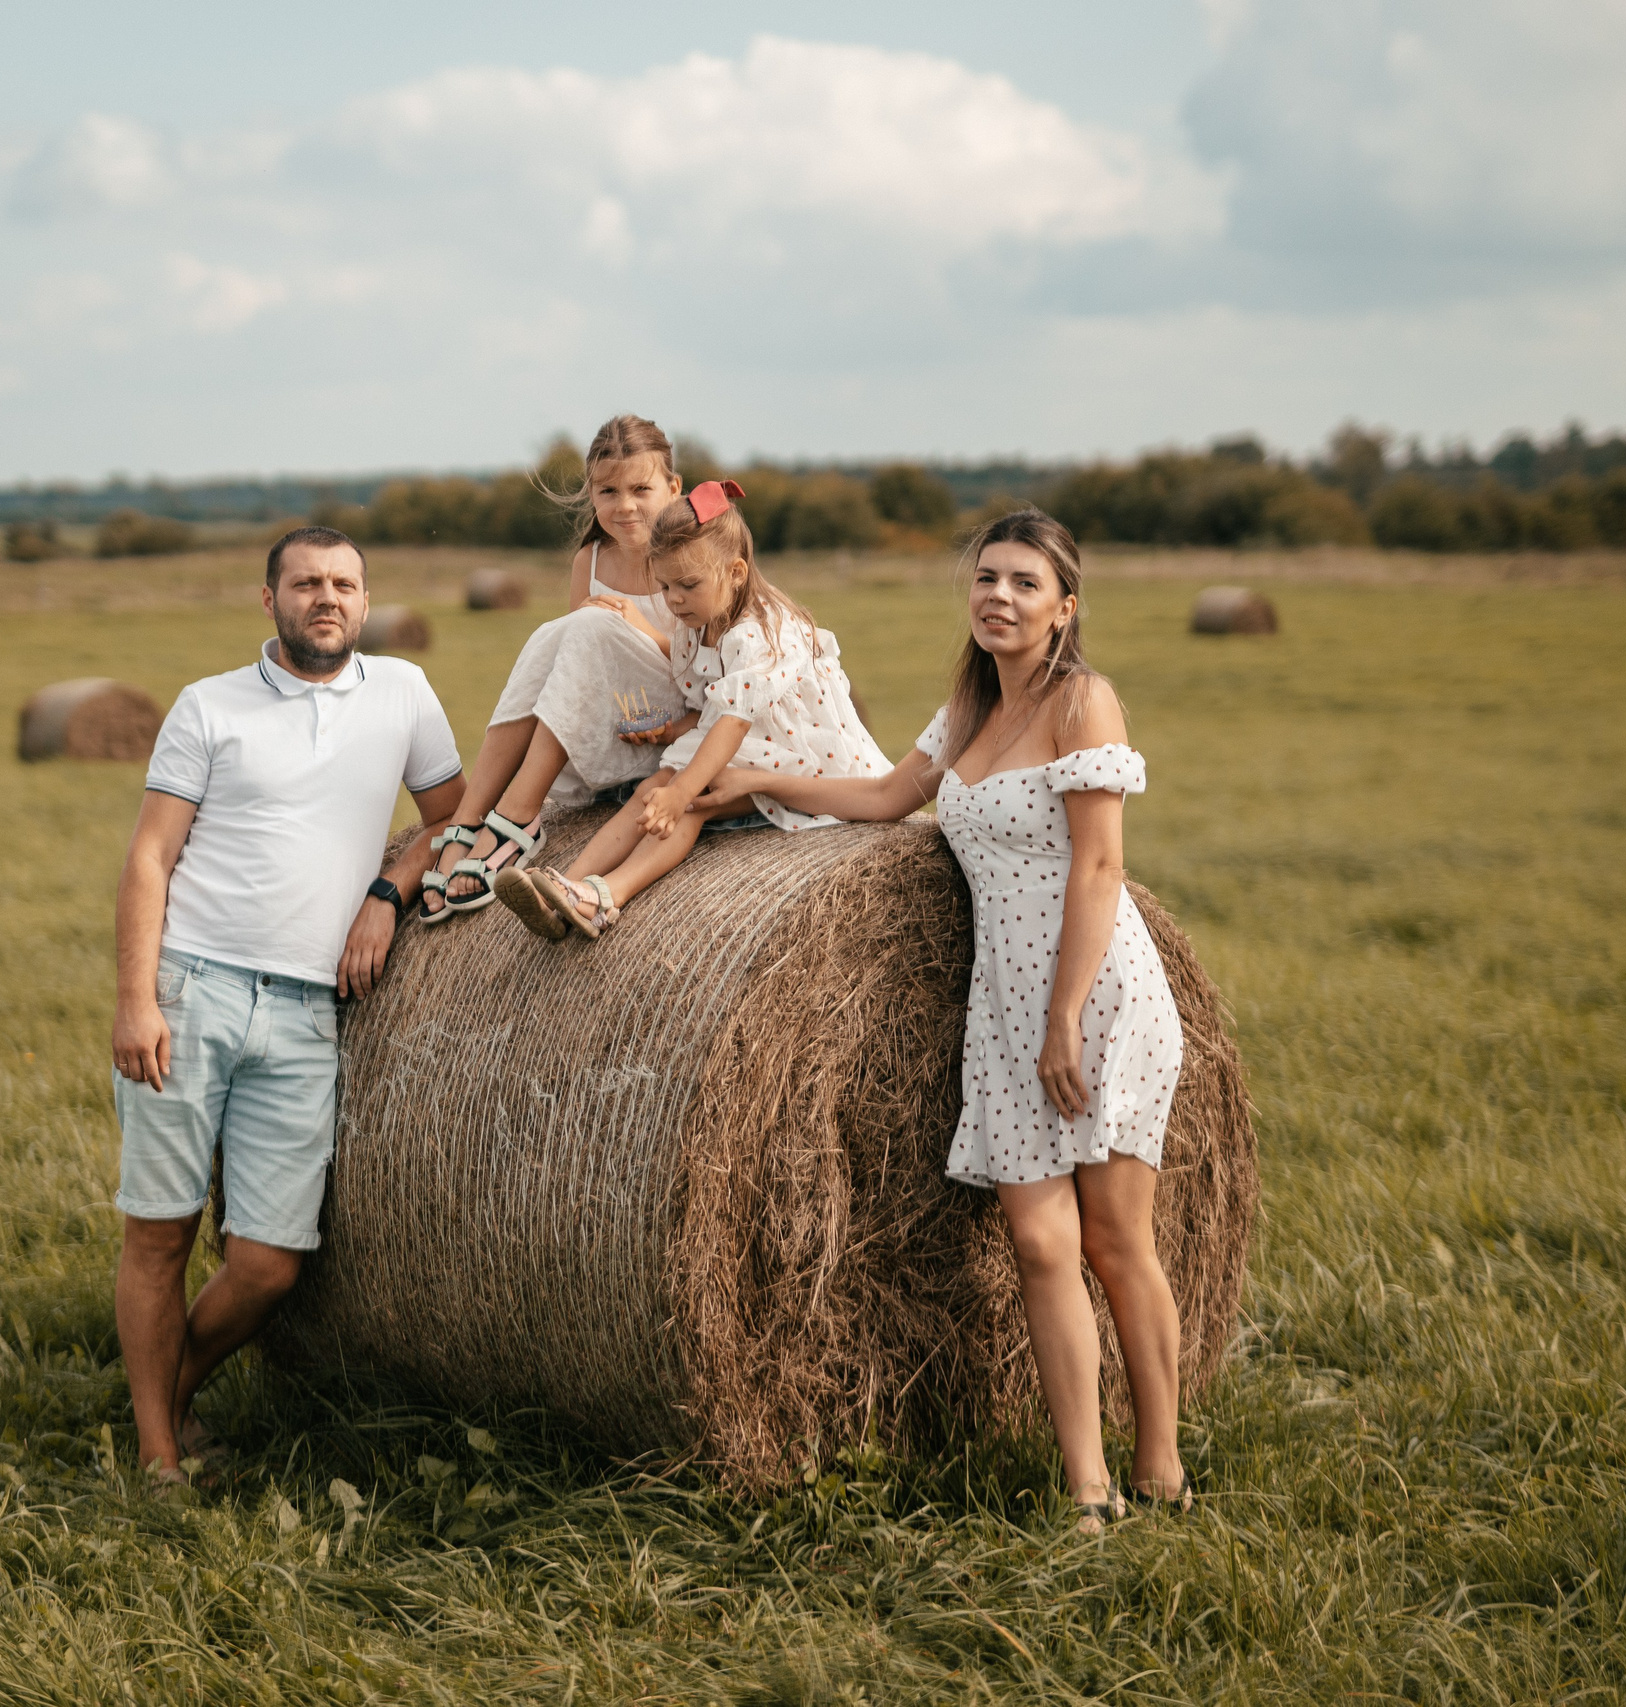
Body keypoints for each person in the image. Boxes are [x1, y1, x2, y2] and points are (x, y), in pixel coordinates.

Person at [697, 507, 1188, 1533]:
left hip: (1093, 994)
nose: (999, 597)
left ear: (1064, 607)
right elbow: (883, 799)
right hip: (1000, 1006)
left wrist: (1061, 1017)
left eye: (1023, 583)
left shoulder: (1081, 703)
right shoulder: (966, 709)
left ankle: (1160, 1466)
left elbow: (1100, 868)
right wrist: (750, 779)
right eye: (987, 580)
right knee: (1039, 1248)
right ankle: (1086, 1489)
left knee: (1113, 1239)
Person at [109, 524, 465, 1485]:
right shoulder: (208, 706)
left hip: (308, 1010)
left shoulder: (403, 694)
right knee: (162, 1230)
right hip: (194, 991)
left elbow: (453, 822)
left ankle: (165, 1397)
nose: (328, 598)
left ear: (364, 597)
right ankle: (157, 1459)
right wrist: (137, 1000)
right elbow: (150, 857)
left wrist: (387, 895)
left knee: (269, 1260)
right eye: (307, 583)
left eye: (346, 583)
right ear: (268, 599)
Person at [495, 479, 888, 940]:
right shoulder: (697, 623)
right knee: (651, 789)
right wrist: (670, 731)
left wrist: (681, 790)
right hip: (742, 744)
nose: (674, 598)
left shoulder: (759, 632)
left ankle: (609, 896)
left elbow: (733, 722)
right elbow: (709, 709)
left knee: (688, 803)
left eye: (687, 584)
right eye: (663, 586)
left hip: (801, 766)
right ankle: (566, 889)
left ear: (736, 572)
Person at [415, 414, 690, 921]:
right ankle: (472, 818)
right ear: (591, 493)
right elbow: (577, 673)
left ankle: (518, 817)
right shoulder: (588, 559)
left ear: (674, 488)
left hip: (670, 730)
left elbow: (717, 667)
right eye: (608, 491)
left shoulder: (694, 555)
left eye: (640, 489)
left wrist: (641, 628)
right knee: (555, 633)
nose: (624, 505)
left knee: (588, 627)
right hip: (616, 731)